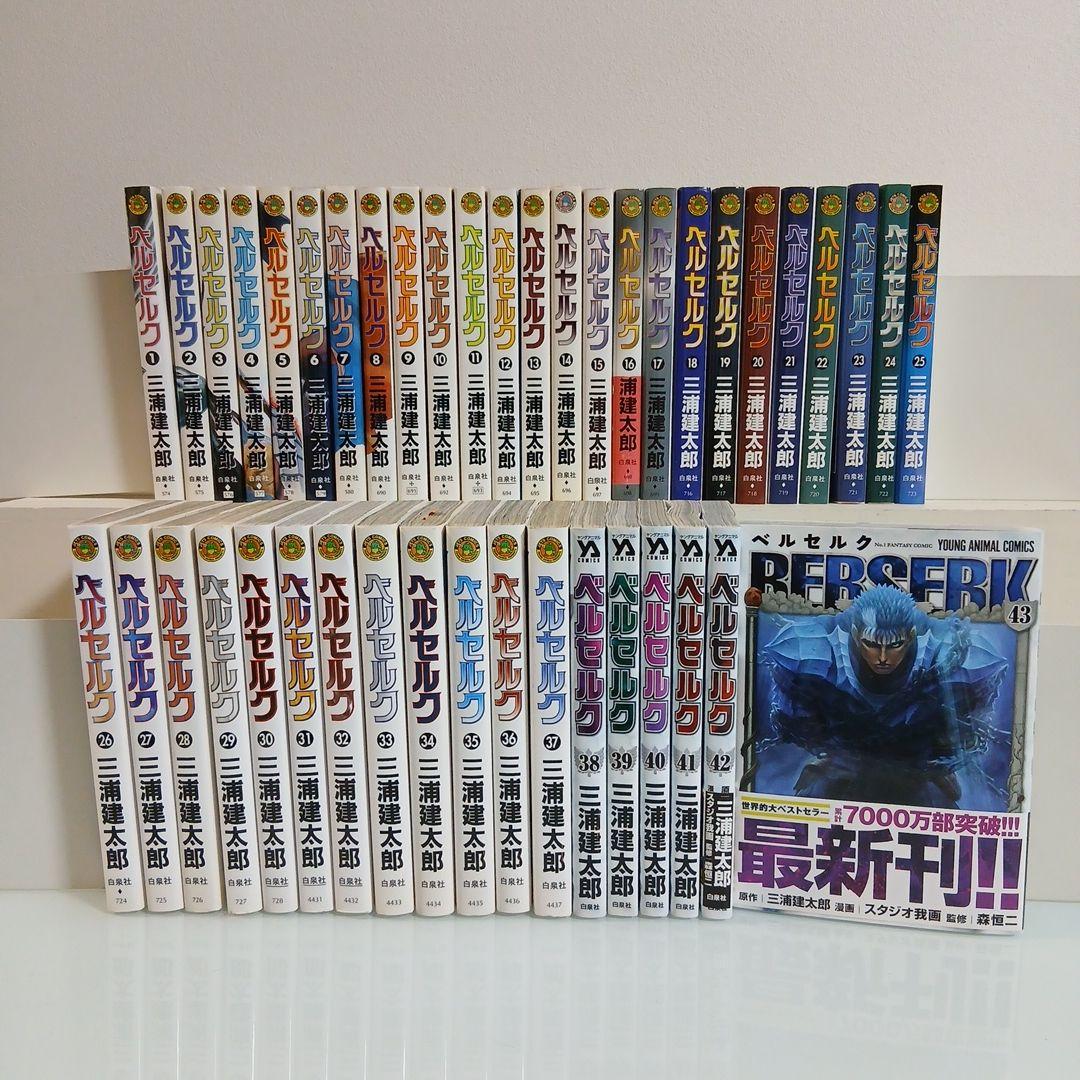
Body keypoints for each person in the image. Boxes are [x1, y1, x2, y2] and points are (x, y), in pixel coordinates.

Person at [759, 585, 1008, 809]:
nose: (882, 658)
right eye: (872, 644)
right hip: (845, 763)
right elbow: (797, 722)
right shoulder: (816, 651)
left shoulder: (948, 655)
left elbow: (966, 731)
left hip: (916, 769)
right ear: (855, 634)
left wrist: (935, 761)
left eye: (894, 645)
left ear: (911, 636)